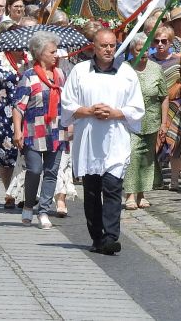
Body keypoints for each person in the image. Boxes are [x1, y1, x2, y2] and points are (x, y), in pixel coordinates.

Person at [61, 29, 145, 254]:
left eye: (112, 46)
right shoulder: (80, 71)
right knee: (92, 190)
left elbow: (137, 108)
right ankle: (96, 236)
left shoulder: (126, 73)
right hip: (89, 139)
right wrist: (88, 110)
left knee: (112, 187)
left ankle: (110, 236)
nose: (108, 50)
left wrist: (115, 112)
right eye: (104, 46)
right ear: (94, 48)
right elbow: (67, 104)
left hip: (115, 139)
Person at [13, 31, 67, 229]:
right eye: (52, 51)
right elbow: (19, 106)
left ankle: (43, 211)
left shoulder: (60, 75)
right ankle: (28, 206)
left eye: (57, 51)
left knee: (52, 172)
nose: (57, 55)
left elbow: (67, 102)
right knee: (35, 170)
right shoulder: (29, 76)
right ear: (40, 53)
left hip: (56, 130)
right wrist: (17, 131)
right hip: (34, 130)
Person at [0, 25, 29, 210]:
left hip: (26, 112)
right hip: (3, 112)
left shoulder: (31, 59)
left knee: (26, 154)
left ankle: (24, 193)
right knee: (5, 155)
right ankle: (9, 192)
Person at [124, 33, 168, 210]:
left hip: (152, 118)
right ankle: (130, 194)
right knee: (133, 154)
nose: (143, 53)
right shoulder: (125, 68)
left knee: (147, 158)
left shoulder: (156, 68)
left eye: (146, 49)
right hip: (130, 119)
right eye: (138, 49)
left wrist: (164, 123)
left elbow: (164, 96)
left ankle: (142, 193)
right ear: (132, 51)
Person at [150, 25, 181, 192]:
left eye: (164, 41)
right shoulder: (149, 61)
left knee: (176, 142)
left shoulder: (178, 60)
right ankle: (154, 178)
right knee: (155, 143)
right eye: (157, 41)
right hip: (154, 106)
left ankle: (174, 180)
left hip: (176, 105)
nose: (160, 44)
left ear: (170, 42)